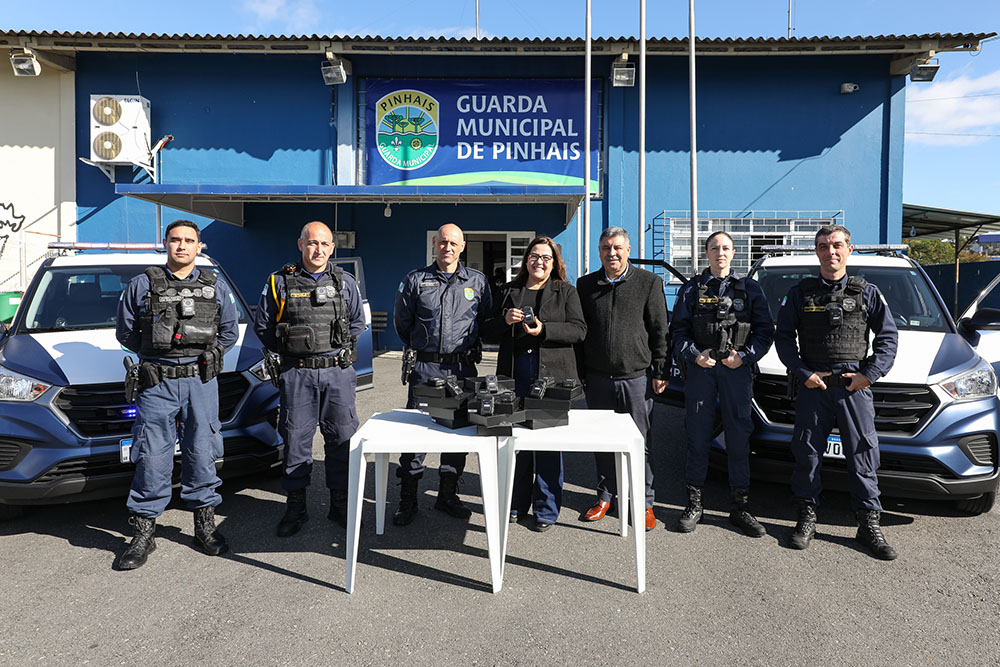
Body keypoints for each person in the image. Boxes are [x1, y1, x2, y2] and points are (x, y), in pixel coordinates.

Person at [115, 219, 238, 570]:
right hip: (157, 383)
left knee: (203, 451)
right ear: (164, 244)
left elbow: (228, 331)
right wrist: (159, 354)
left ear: (199, 246)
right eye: (175, 240)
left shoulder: (215, 286)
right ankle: (143, 534)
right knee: (152, 454)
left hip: (201, 381)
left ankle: (204, 526)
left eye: (189, 240)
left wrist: (208, 356)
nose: (182, 246)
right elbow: (126, 333)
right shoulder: (142, 285)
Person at [774, 225, 899, 560]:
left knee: (862, 453)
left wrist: (868, 375)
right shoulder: (800, 293)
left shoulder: (868, 293)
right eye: (824, 246)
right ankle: (806, 516)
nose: (831, 252)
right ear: (816, 252)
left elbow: (888, 340)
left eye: (837, 245)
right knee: (807, 452)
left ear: (850, 249)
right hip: (814, 386)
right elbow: (783, 339)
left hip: (852, 388)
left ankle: (868, 522)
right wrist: (802, 373)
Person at [253, 221, 366, 537]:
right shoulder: (279, 282)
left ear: (333, 248)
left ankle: (340, 504)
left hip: (337, 373)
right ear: (301, 244)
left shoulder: (345, 282)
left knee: (342, 438)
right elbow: (262, 327)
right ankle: (296, 507)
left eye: (325, 244)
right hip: (297, 374)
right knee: (295, 441)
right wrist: (292, 351)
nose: (319, 250)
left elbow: (357, 323)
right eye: (312, 243)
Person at [670, 231, 775, 536]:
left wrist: (745, 356)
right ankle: (694, 504)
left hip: (736, 371)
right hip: (702, 372)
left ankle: (740, 506)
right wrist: (694, 355)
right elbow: (677, 332)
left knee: (739, 438)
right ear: (706, 253)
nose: (720, 252)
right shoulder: (692, 289)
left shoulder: (750, 289)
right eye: (714, 247)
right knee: (698, 437)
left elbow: (764, 331)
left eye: (726, 248)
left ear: (733, 253)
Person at [482, 236, 586, 532]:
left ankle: (546, 509)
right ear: (526, 259)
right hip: (513, 379)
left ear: (554, 263)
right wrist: (504, 320)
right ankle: (515, 503)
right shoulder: (508, 291)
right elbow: (486, 330)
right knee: (515, 443)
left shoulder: (565, 292)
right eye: (534, 256)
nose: (539, 262)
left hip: (550, 380)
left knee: (548, 446)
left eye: (546, 257)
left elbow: (579, 330)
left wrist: (544, 330)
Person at [392, 223, 493, 526]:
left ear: (463, 247)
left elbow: (486, 320)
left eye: (453, 243)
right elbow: (402, 323)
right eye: (442, 242)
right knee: (415, 435)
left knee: (457, 435)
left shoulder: (478, 282)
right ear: (434, 244)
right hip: (426, 368)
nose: (447, 247)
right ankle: (408, 499)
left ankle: (447, 495)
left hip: (462, 369)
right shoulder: (415, 280)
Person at [577, 226, 669, 532]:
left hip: (637, 379)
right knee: (602, 442)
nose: (611, 253)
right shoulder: (586, 285)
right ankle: (605, 496)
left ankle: (643, 502)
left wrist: (660, 369)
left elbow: (659, 330)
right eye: (605, 248)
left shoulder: (648, 282)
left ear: (628, 250)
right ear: (599, 251)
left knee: (639, 443)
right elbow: (581, 333)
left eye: (617, 247)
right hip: (598, 379)